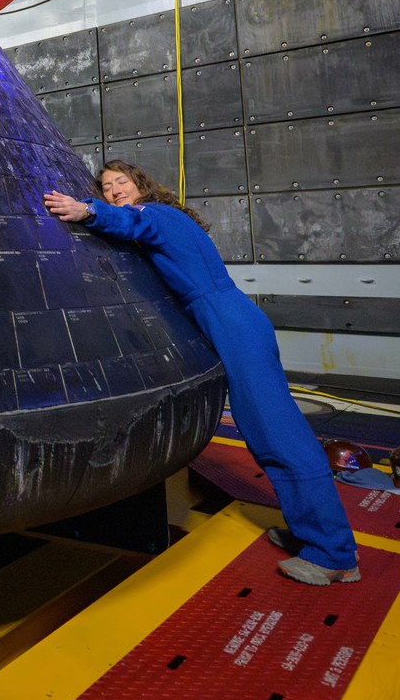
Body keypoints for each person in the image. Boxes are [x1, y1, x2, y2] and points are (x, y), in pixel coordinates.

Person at [44, 160, 360, 586]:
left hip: (228, 322)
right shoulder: (165, 216)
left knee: (277, 435)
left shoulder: (155, 215)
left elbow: (133, 224)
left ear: (141, 185)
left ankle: (333, 553)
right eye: (106, 187)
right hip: (227, 319)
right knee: (267, 433)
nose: (115, 190)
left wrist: (87, 211)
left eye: (122, 182)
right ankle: (312, 534)